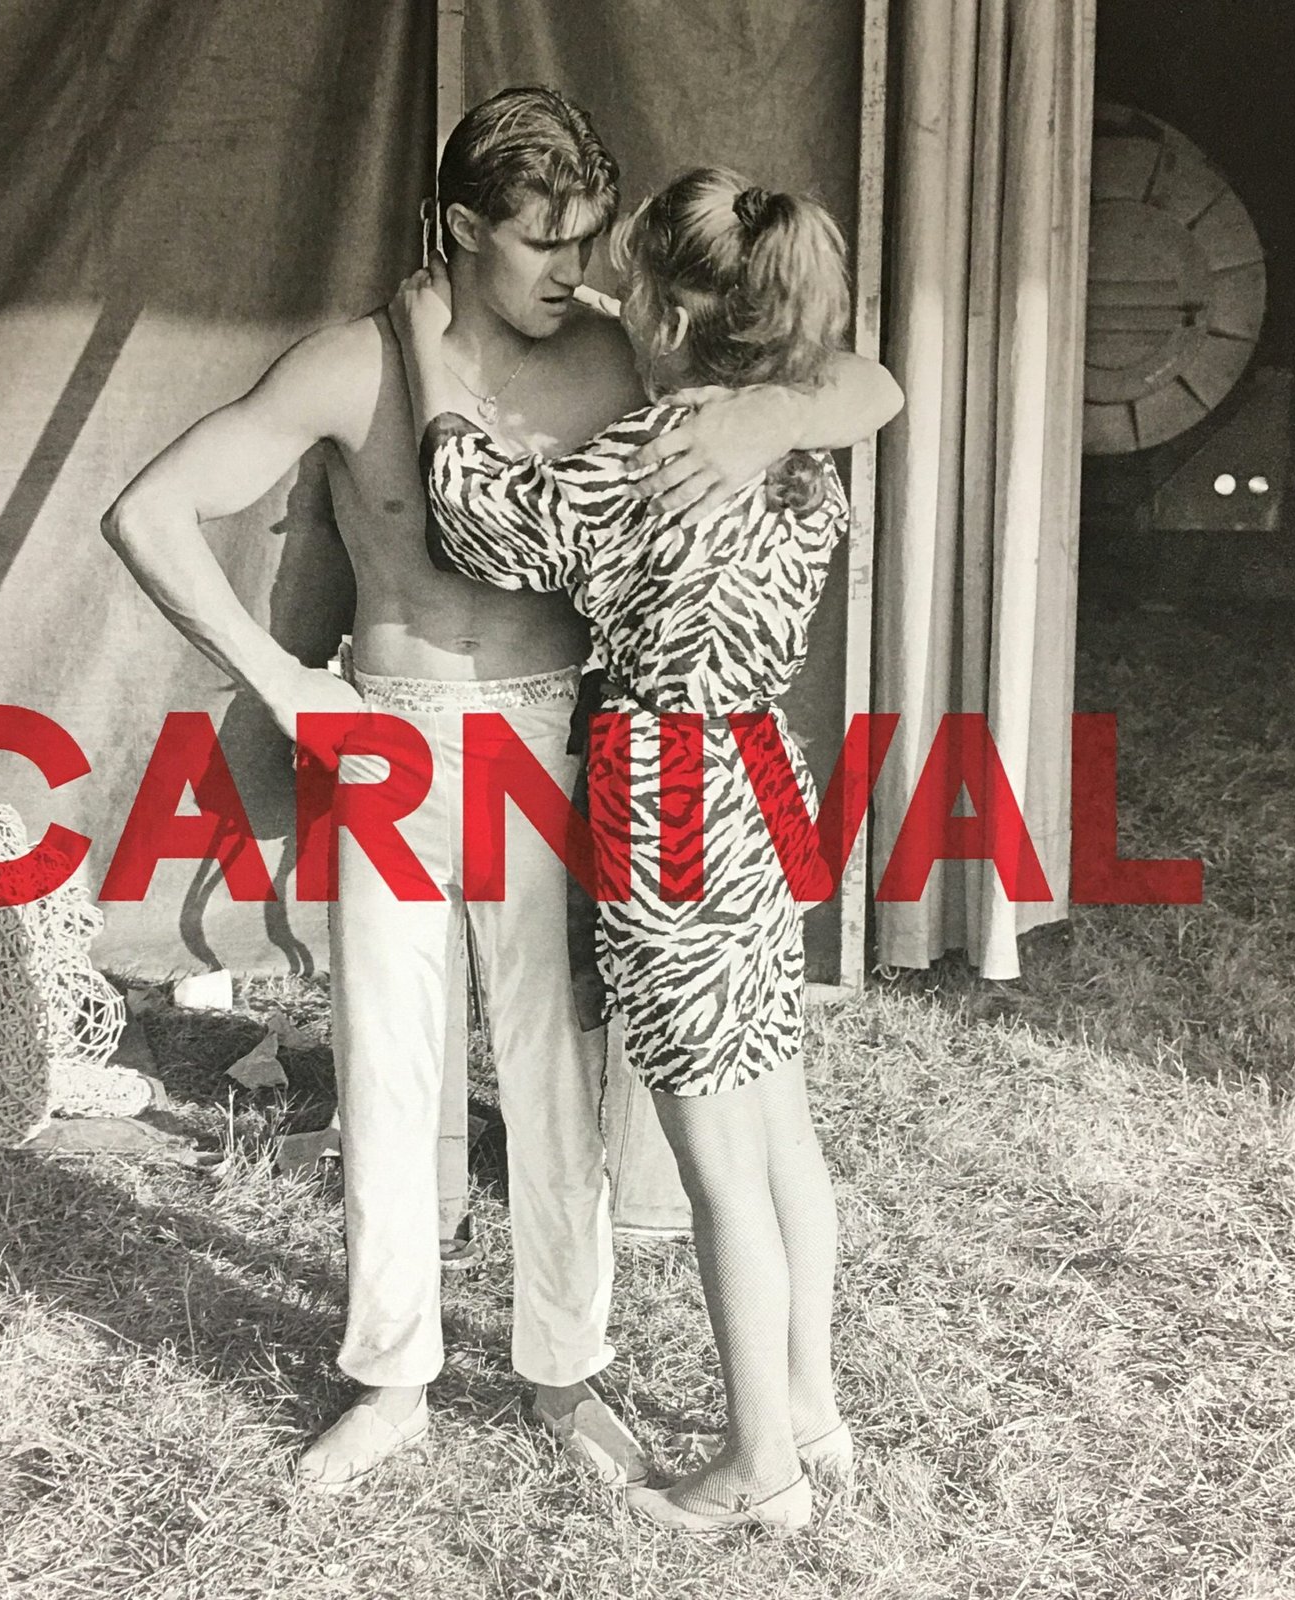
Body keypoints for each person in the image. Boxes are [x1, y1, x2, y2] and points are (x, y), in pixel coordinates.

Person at [102, 88, 902, 1497]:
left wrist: (771, 418)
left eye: (591, 241)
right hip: (395, 738)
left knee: (555, 1074)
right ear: (461, 226)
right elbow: (146, 511)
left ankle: (563, 1369)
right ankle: (389, 1379)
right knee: (387, 1064)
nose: (575, 270)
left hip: (563, 740)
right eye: (543, 242)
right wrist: (281, 683)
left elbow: (847, 378)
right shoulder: (349, 363)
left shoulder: (620, 354)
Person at [392, 165, 879, 1532]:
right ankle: (814, 1411)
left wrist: (432, 357)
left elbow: (477, 519)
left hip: (669, 786)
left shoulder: (658, 452)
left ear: (662, 312)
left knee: (715, 1161)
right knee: (777, 1125)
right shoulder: (793, 441)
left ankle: (759, 1467)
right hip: (761, 771)